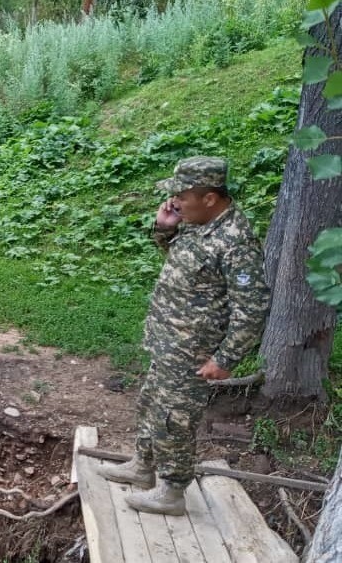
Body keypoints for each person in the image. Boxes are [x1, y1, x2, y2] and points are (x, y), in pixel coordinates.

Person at [98, 156, 270, 515]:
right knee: (151, 403)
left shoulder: (236, 241)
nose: (174, 202)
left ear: (210, 198)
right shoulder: (196, 222)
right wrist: (165, 230)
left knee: (174, 418)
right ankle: (142, 467)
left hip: (194, 350)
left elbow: (252, 307)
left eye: (182, 196)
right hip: (169, 341)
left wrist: (225, 358)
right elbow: (183, 263)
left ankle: (171, 492)